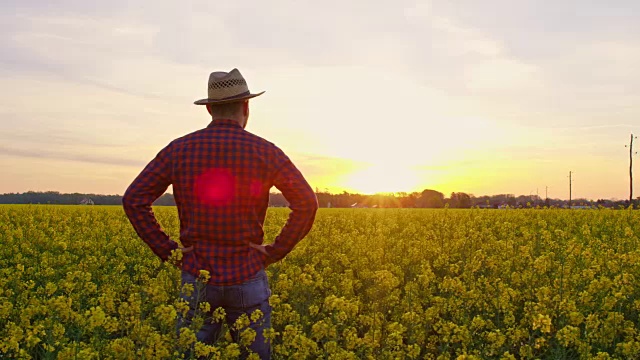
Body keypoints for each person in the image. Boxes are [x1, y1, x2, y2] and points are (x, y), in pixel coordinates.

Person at [122, 68, 318, 359]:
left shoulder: (179, 149)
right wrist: (274, 251)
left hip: (197, 276)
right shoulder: (265, 151)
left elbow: (134, 199)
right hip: (248, 274)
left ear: (210, 108)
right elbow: (307, 203)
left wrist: (170, 251)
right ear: (247, 106)